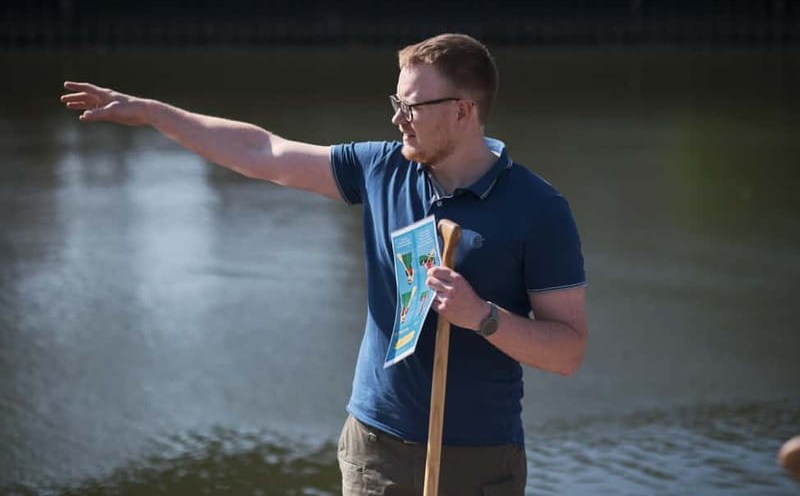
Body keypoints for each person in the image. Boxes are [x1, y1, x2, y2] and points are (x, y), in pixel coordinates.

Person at [61, 33, 587, 495]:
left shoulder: (538, 209)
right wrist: (155, 113)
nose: (396, 118)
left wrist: (482, 316)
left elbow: (567, 351)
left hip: (479, 458)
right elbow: (263, 152)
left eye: (412, 106)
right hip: (375, 447)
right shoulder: (383, 170)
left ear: (462, 110)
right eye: (395, 102)